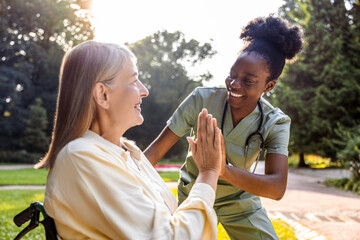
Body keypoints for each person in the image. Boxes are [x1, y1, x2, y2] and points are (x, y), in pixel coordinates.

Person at [36, 41, 225, 240]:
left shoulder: (126, 150)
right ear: (103, 95)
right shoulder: (80, 156)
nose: (144, 91)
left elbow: (169, 220)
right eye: (134, 81)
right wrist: (209, 173)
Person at [144, 15, 303, 240]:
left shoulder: (275, 122)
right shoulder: (201, 100)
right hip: (194, 192)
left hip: (239, 200)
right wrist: (122, 179)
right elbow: (155, 152)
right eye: (232, 75)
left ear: (269, 86)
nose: (235, 84)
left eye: (248, 81)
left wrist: (222, 169)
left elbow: (277, 188)